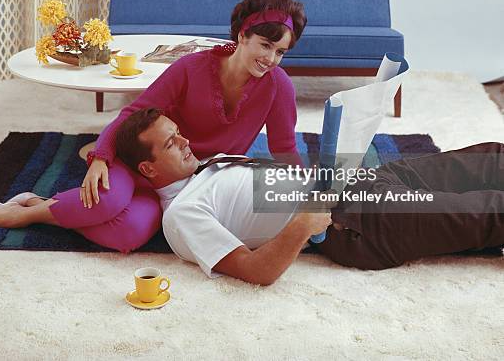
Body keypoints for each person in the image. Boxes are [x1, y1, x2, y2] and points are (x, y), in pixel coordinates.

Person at [0, 0, 308, 253]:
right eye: (264, 45)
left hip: (189, 181)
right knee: (108, 202)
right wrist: (101, 158)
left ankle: (39, 205)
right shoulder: (191, 68)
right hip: (146, 161)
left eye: (280, 52)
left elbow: (284, 149)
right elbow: (132, 115)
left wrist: (307, 196)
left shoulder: (279, 87)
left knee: (131, 235)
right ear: (242, 35)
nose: (271, 59)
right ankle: (23, 213)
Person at [108, 108, 503, 285]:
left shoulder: (211, 164)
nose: (186, 142)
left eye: (179, 133)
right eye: (172, 143)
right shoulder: (181, 215)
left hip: (365, 179)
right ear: (148, 169)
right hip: (357, 224)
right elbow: (255, 271)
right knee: (488, 211)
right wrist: (303, 222)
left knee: (491, 157)